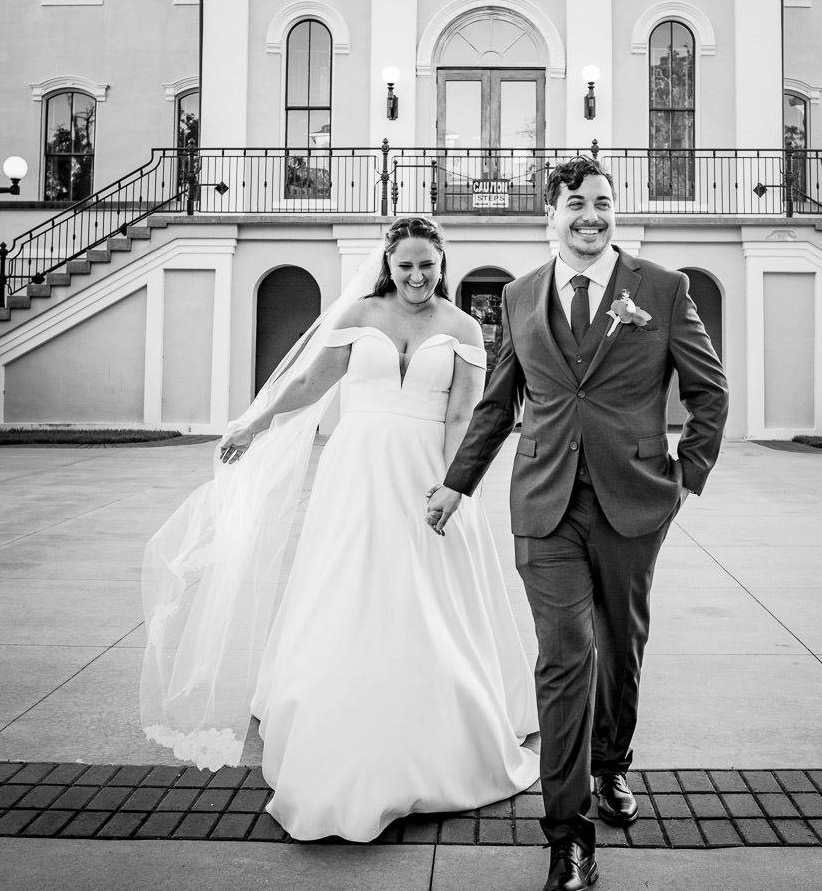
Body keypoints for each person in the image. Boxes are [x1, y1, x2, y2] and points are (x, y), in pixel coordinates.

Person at [141, 215, 538, 842]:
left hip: (427, 470)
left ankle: (439, 711)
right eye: (405, 265)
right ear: (389, 264)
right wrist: (254, 424)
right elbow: (309, 382)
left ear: (442, 264)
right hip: (358, 470)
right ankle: (340, 698)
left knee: (428, 589)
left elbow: (463, 413)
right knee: (350, 582)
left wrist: (455, 485)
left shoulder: (463, 328)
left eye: (427, 265)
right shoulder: (358, 314)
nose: (416, 276)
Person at [426, 157, 728, 891]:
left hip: (634, 500)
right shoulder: (519, 295)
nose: (591, 215)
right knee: (564, 658)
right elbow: (498, 403)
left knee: (620, 644)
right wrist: (457, 482)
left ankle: (611, 762)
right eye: (576, 204)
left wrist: (684, 477)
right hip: (544, 503)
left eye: (602, 202)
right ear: (550, 216)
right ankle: (568, 837)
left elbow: (709, 390)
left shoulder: (662, 289)